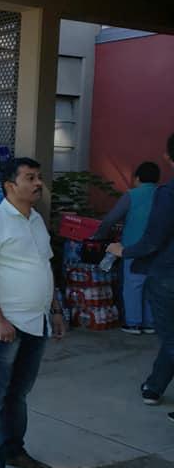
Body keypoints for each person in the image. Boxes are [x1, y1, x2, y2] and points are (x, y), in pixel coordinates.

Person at [0, 157, 66, 468]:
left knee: (18, 393)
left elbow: (44, 268)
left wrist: (54, 309)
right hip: (3, 322)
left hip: (35, 320)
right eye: (30, 178)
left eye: (39, 177)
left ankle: (14, 450)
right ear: (11, 185)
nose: (38, 183)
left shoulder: (37, 220)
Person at [107, 132, 174, 418]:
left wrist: (124, 251)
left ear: (168, 157)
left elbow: (154, 238)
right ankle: (155, 386)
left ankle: (154, 386)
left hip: (166, 273)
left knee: (171, 339)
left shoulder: (168, 194)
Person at [92, 161, 160, 334]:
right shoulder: (163, 195)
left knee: (133, 285)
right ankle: (150, 323)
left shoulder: (132, 195)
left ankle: (133, 323)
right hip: (158, 248)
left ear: (137, 178)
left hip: (132, 248)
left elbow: (110, 219)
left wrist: (98, 236)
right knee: (150, 286)